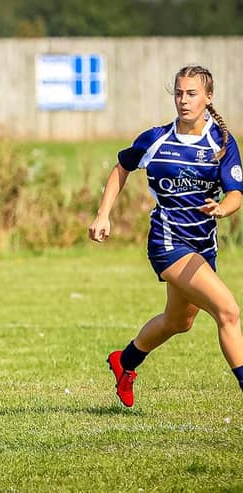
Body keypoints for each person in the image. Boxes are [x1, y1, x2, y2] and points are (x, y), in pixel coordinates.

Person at [88, 65, 243, 407]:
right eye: (178, 93)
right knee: (228, 311)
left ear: (208, 97)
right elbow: (122, 167)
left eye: (191, 93)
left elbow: (236, 193)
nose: (184, 100)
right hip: (168, 242)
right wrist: (103, 214)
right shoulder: (156, 137)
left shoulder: (222, 143)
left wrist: (221, 209)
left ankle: (124, 362)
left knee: (179, 321)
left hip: (203, 246)